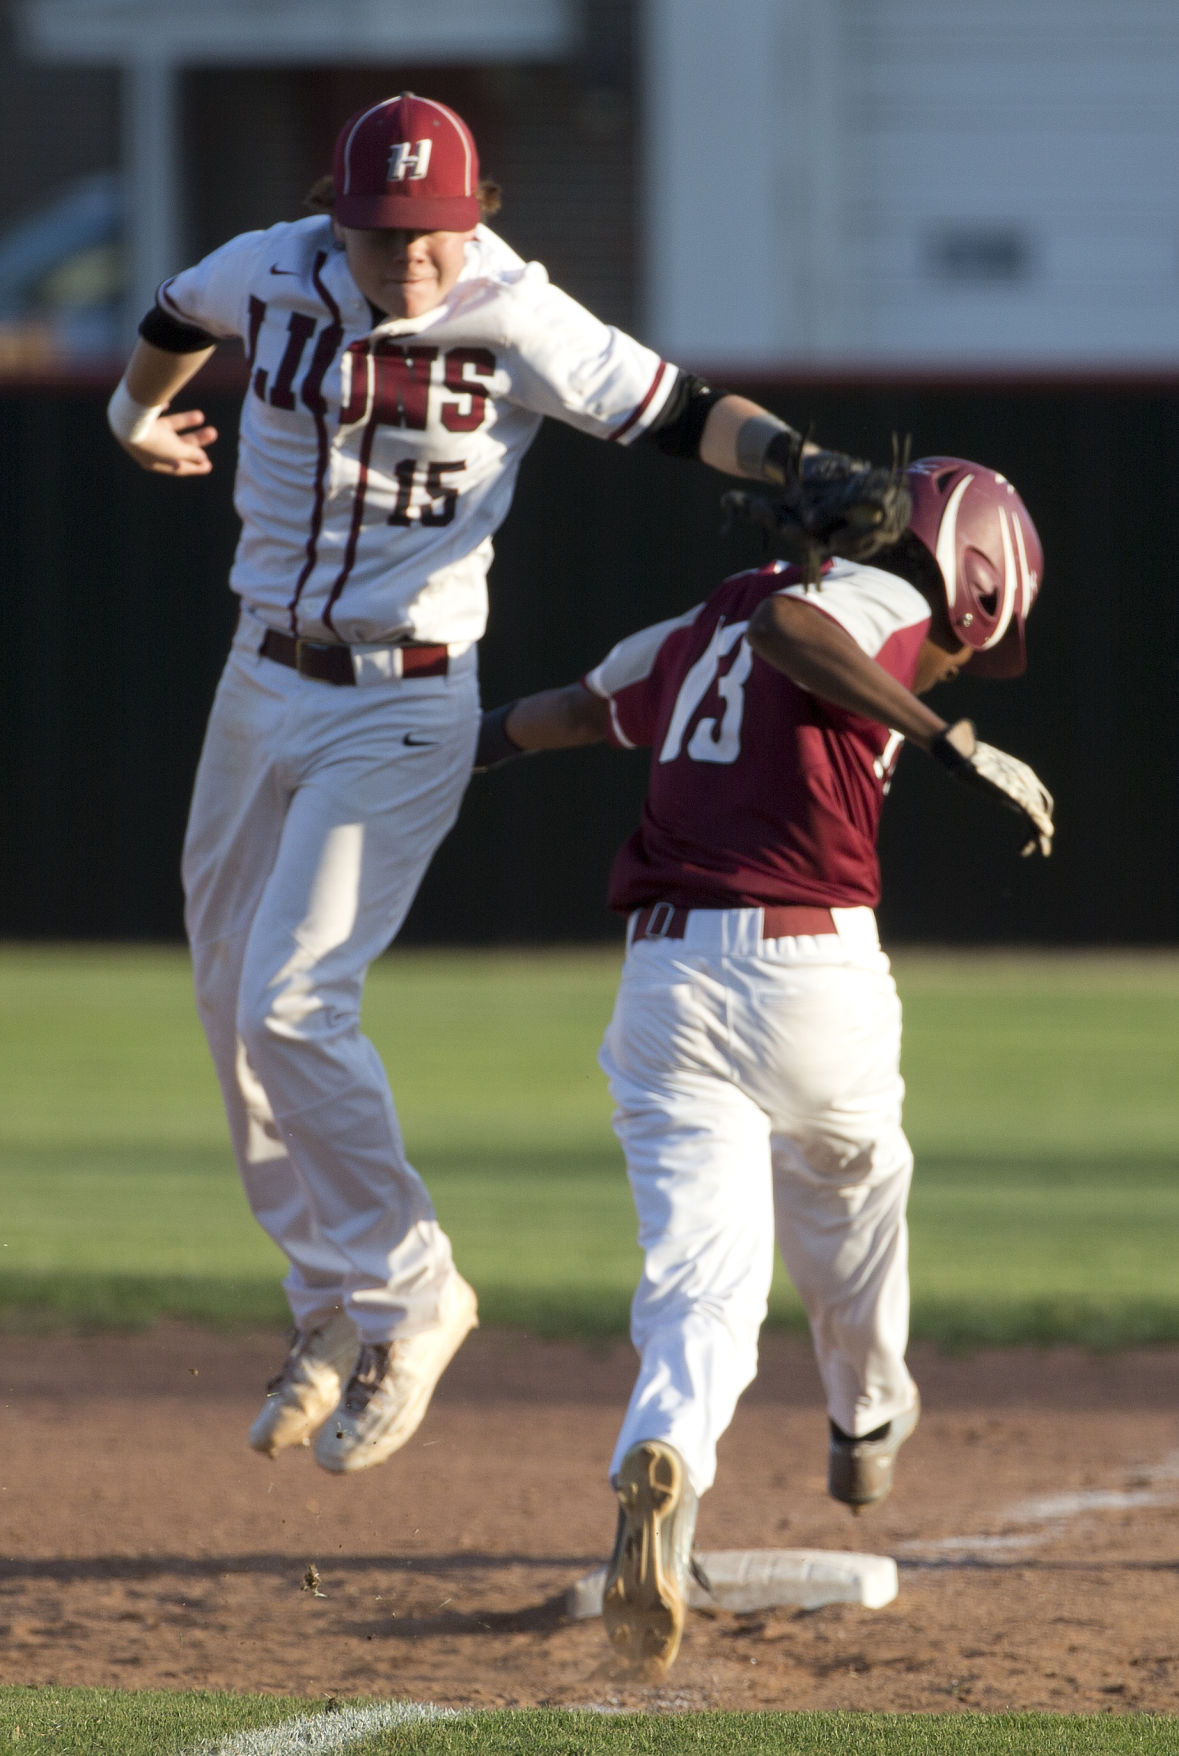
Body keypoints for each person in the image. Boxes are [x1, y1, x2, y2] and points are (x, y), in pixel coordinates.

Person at [104, 91, 892, 1476]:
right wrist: (130, 415)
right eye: (383, 230)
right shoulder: (272, 266)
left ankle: (414, 1296)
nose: (409, 257)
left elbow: (678, 410)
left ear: (479, 219)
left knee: (296, 995)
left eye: (434, 232)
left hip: (403, 696)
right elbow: (175, 313)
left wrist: (797, 461)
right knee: (232, 1000)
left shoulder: (519, 314)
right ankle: (330, 1303)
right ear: (334, 214)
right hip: (257, 674)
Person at [474, 456, 1053, 1672]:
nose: (958, 658)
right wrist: (950, 738)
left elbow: (572, 712)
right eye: (975, 638)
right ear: (972, 587)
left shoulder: (700, 620)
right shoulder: (883, 608)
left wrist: (427, 760)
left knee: (703, 1286)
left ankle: (668, 1452)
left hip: (665, 984)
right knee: (858, 1182)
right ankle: (867, 1413)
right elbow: (798, 627)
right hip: (810, 970)